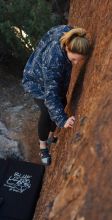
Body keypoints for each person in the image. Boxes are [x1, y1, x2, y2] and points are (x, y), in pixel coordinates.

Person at [22, 24, 90, 165]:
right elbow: (50, 95)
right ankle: (43, 147)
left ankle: (51, 137)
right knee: (48, 111)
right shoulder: (54, 60)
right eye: (74, 60)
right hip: (36, 82)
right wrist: (62, 120)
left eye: (80, 60)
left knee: (62, 103)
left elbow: (52, 31)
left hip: (45, 71)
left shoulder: (70, 34)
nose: (76, 64)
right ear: (66, 48)